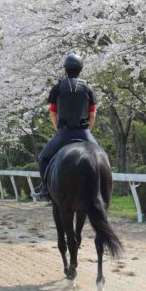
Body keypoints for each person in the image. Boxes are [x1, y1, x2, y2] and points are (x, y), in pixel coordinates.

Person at [32, 53, 98, 201]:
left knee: (43, 158)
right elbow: (92, 114)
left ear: (65, 69)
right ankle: (102, 190)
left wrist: (58, 129)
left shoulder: (57, 88)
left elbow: (53, 113)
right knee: (101, 156)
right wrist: (88, 130)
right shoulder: (88, 88)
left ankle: (44, 190)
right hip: (84, 132)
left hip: (64, 133)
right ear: (80, 69)